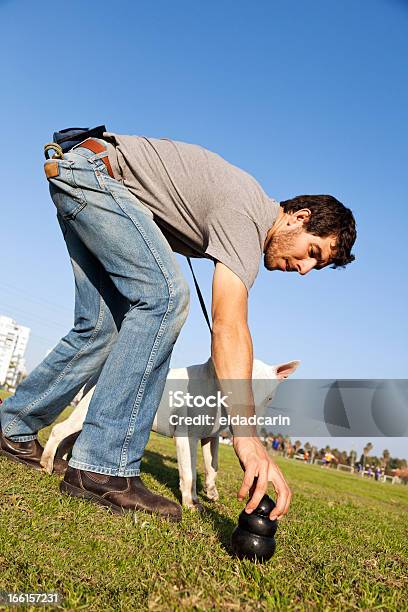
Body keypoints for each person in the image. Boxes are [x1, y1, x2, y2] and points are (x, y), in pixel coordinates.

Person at [0, 131, 356, 522]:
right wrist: (247, 437)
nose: (304, 269)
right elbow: (229, 326)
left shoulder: (242, 208)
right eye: (311, 252)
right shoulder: (249, 217)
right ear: (299, 218)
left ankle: (13, 428)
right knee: (165, 298)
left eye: (315, 266)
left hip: (81, 170)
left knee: (102, 328)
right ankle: (102, 467)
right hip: (94, 178)